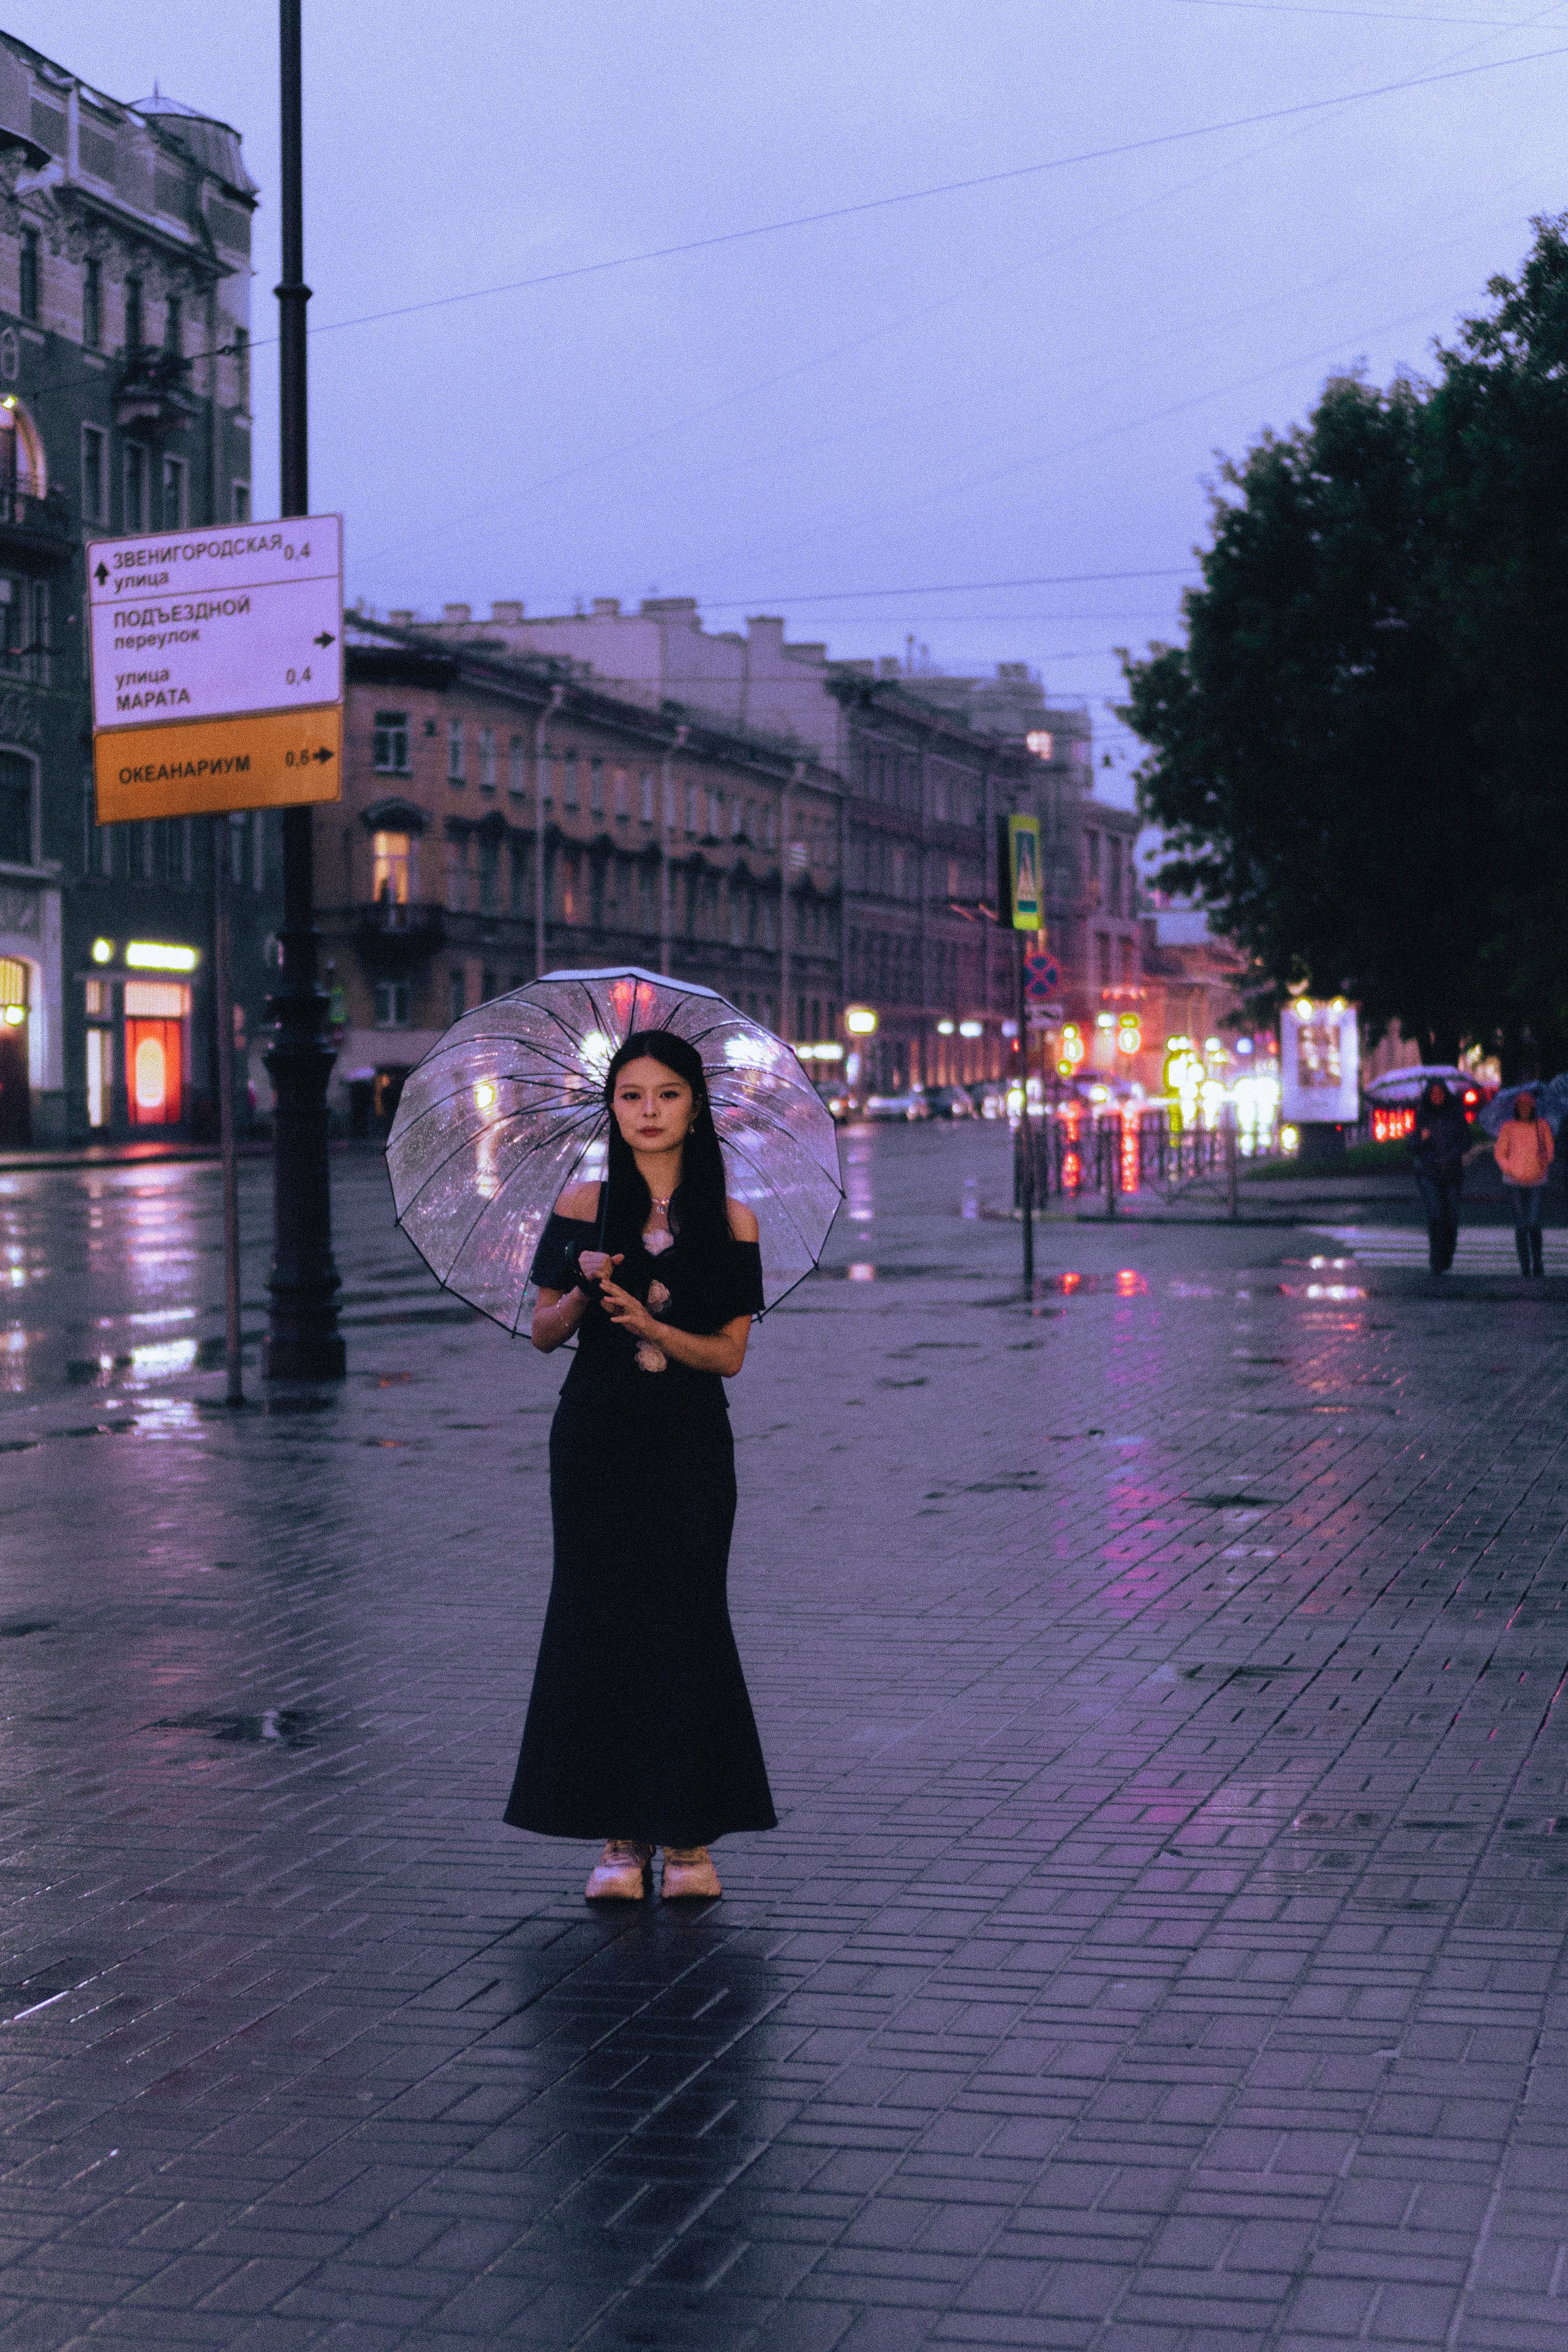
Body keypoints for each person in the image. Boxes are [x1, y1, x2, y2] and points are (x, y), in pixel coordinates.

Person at [505, 1030, 777, 1902]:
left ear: (696, 1108)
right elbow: (544, 1333)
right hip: (597, 1437)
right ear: (611, 1107)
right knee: (600, 1621)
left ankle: (689, 1839)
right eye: (630, 1096)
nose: (647, 1112)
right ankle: (620, 1841)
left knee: (686, 1619)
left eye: (665, 1095)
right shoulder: (584, 1204)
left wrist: (655, 1327)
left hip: (691, 1439)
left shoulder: (732, 1221)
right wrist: (587, 1288)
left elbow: (729, 1356)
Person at [1411, 1078, 1472, 1273]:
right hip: (1429, 1173)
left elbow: (1467, 1140)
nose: (1437, 1096)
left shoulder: (1455, 1114)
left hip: (1452, 1172)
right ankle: (1437, 1258)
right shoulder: (1422, 1116)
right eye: (1433, 1093)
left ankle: (1448, 1253)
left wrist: (1453, 1152)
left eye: (1440, 1092)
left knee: (1451, 1217)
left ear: (1445, 1094)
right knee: (1436, 1215)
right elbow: (1412, 1146)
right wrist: (1422, 1138)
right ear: (1429, 1095)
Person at [1493, 1088, 1554, 1276]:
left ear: (1533, 1107)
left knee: (1534, 1223)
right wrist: (1509, 1168)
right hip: (1514, 1181)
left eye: (1528, 1105)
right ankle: (1525, 1264)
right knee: (1521, 1225)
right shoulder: (1508, 1128)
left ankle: (1537, 1261)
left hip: (1537, 1179)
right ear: (1516, 1108)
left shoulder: (1542, 1126)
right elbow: (1500, 1152)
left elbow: (1550, 1151)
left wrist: (1544, 1158)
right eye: (1521, 1106)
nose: (1524, 1109)